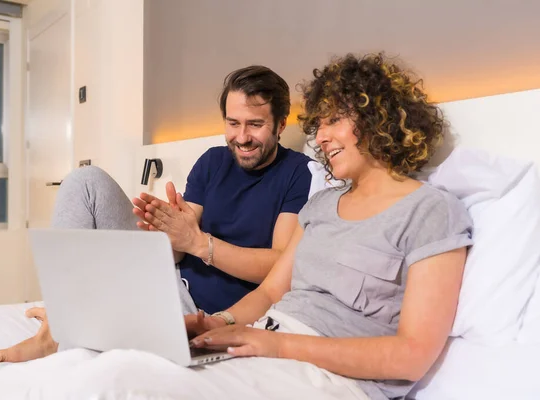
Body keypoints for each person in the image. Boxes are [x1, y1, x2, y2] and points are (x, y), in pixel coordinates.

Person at [185, 53, 473, 400]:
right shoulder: (320, 204)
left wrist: (279, 345)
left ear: (377, 118)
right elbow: (270, 293)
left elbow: (411, 356)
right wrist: (221, 324)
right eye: (318, 125)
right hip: (264, 347)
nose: (320, 137)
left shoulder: (430, 210)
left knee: (124, 380)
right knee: (127, 365)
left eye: (334, 120)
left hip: (329, 378)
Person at [0, 65, 313, 365]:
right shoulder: (213, 160)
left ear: (282, 123)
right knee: (85, 181)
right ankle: (58, 326)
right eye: (233, 123)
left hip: (203, 312)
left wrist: (202, 245)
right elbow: (179, 247)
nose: (241, 137)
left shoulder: (298, 173)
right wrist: (166, 231)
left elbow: (279, 267)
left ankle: (69, 323)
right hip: (164, 279)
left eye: (255, 125)